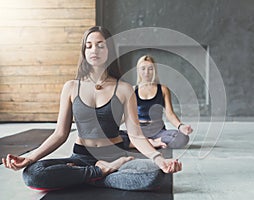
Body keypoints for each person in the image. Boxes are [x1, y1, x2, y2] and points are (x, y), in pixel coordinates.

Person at [1, 26, 181, 191]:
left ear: (109, 50)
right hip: (81, 158)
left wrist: (159, 160)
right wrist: (30, 158)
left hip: (114, 154)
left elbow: (135, 135)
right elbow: (60, 134)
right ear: (84, 51)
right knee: (33, 174)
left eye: (100, 45)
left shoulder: (124, 89)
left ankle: (89, 175)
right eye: (89, 46)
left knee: (156, 175)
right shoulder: (71, 87)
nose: (94, 50)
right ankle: (101, 173)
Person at [120, 55, 193, 149]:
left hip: (158, 132)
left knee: (183, 138)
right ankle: (149, 142)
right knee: (114, 137)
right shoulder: (132, 90)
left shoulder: (163, 89)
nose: (146, 72)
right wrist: (110, 127)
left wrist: (181, 126)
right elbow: (125, 115)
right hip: (139, 131)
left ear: (154, 70)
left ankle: (150, 142)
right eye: (143, 69)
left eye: (150, 69)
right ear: (138, 70)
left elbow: (170, 114)